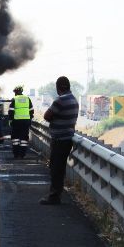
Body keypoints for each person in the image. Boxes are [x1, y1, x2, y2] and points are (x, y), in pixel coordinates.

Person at [40, 76, 79, 205]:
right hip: (68, 138)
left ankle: (54, 197)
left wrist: (54, 118)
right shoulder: (74, 100)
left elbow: (46, 116)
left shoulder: (60, 101)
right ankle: (56, 194)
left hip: (59, 140)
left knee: (56, 169)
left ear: (58, 88)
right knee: (59, 168)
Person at [6, 85, 34, 158]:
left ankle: (16, 154)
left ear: (16, 92)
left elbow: (11, 112)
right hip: (26, 122)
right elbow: (31, 111)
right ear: (21, 91)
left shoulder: (14, 99)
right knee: (24, 138)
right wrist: (29, 119)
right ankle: (22, 154)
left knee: (15, 138)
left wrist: (10, 120)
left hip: (16, 122)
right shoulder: (27, 98)